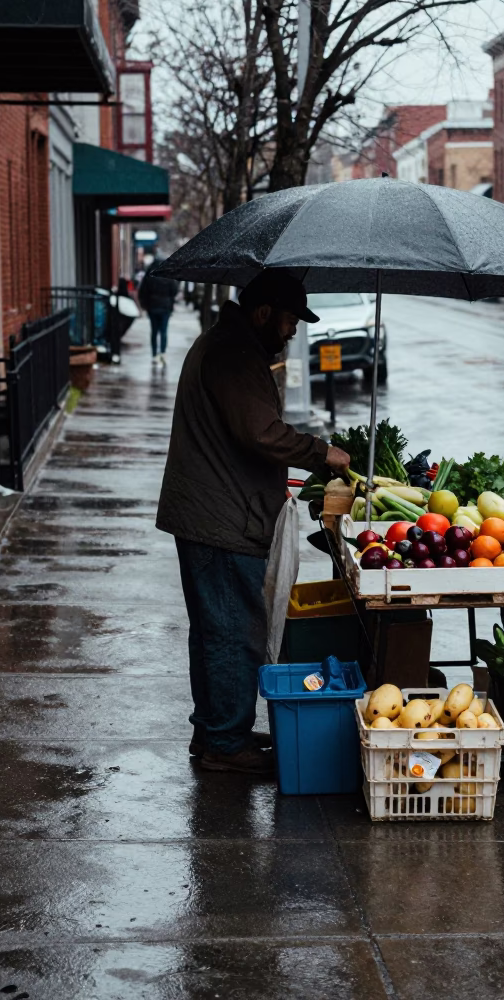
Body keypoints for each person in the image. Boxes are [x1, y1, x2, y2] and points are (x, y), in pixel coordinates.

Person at [156, 268, 351, 774]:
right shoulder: (234, 354)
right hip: (221, 517)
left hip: (214, 510)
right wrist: (322, 453)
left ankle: (219, 728)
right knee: (231, 631)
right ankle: (225, 744)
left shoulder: (231, 346)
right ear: (264, 313)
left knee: (216, 628)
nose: (292, 331)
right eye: (289, 320)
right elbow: (261, 433)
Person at [138, 258, 179, 365]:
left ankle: (154, 355)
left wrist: (144, 304)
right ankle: (163, 353)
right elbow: (174, 290)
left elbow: (143, 291)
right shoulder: (168, 275)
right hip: (165, 307)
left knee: (154, 331)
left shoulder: (150, 275)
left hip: (152, 307)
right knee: (164, 331)